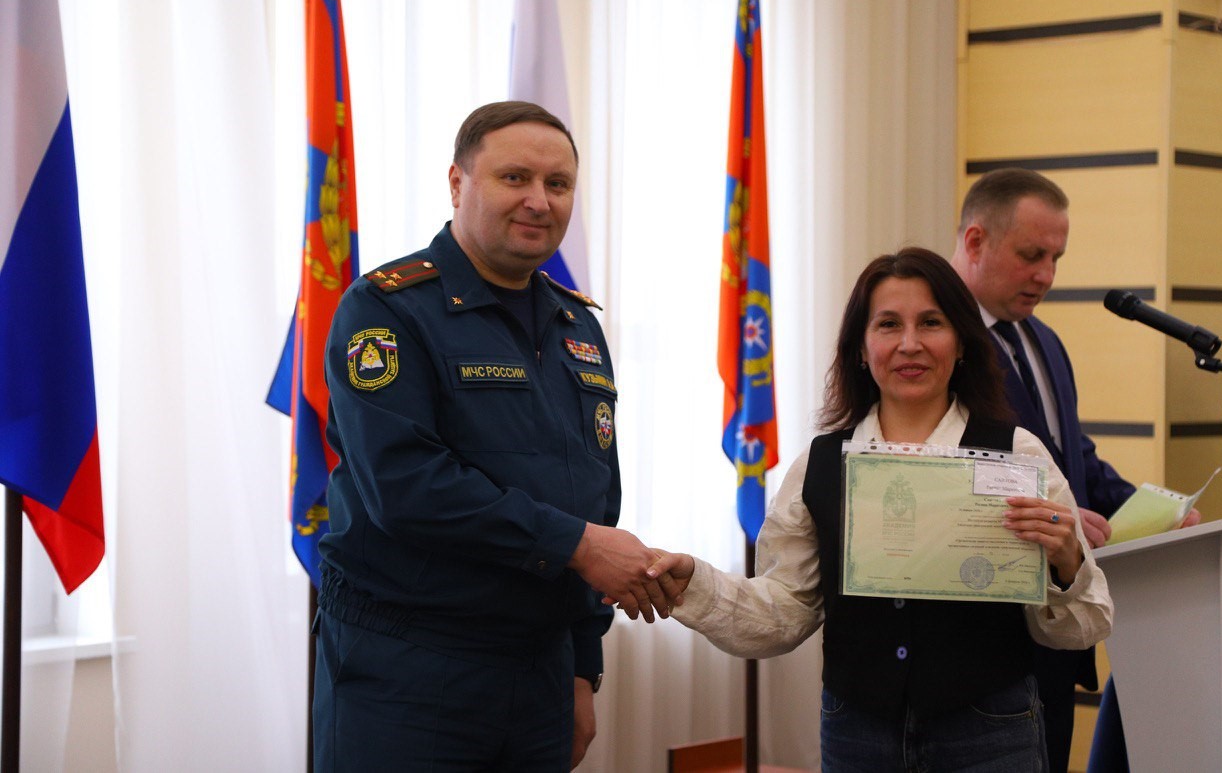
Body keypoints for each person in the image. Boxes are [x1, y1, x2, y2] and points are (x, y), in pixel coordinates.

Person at [312, 101, 677, 772]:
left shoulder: (577, 326)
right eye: (515, 178)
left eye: (558, 184)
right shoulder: (386, 309)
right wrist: (577, 544)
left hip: (540, 674)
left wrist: (581, 666)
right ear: (458, 183)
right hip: (410, 670)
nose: (539, 201)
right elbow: (406, 487)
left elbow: (595, 497)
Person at [648, 247, 1113, 772]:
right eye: (889, 324)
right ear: (861, 349)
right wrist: (693, 585)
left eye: (931, 323)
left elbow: (1082, 627)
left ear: (961, 342)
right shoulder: (820, 465)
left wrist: (1067, 561)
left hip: (990, 735)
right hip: (856, 736)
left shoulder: (1018, 455)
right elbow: (784, 611)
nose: (910, 344)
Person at [948, 168, 1198, 773]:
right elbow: (949, 478)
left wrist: (1155, 509)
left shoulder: (1043, 340)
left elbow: (1073, 460)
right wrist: (1054, 515)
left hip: (1056, 632)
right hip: (983, 644)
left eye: (1056, 258)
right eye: (1032, 255)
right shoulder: (937, 347)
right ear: (976, 241)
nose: (1047, 275)